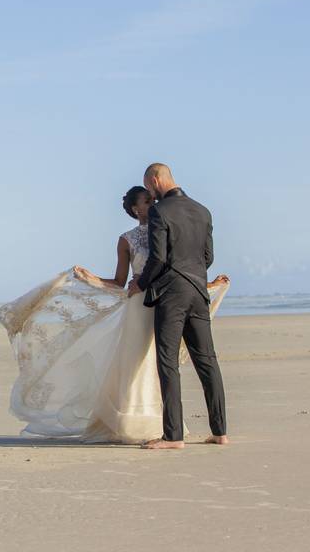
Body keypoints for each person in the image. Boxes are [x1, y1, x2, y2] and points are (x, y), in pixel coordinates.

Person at [0, 179, 230, 445]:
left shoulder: (164, 227)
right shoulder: (127, 240)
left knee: (160, 365)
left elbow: (180, 266)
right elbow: (120, 281)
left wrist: (209, 284)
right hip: (140, 305)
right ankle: (132, 422)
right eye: (145, 200)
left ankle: (165, 425)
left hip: (167, 300)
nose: (152, 202)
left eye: (151, 198)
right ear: (135, 209)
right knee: (137, 365)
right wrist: (92, 279)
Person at [127, 162, 229, 449]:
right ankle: (220, 431)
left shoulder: (161, 211)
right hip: (198, 289)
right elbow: (208, 257)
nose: (150, 193)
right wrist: (193, 272)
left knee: (168, 362)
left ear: (155, 179)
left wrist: (142, 284)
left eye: (149, 187)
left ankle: (173, 436)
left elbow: (158, 258)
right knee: (207, 360)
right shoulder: (203, 210)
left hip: (171, 293)